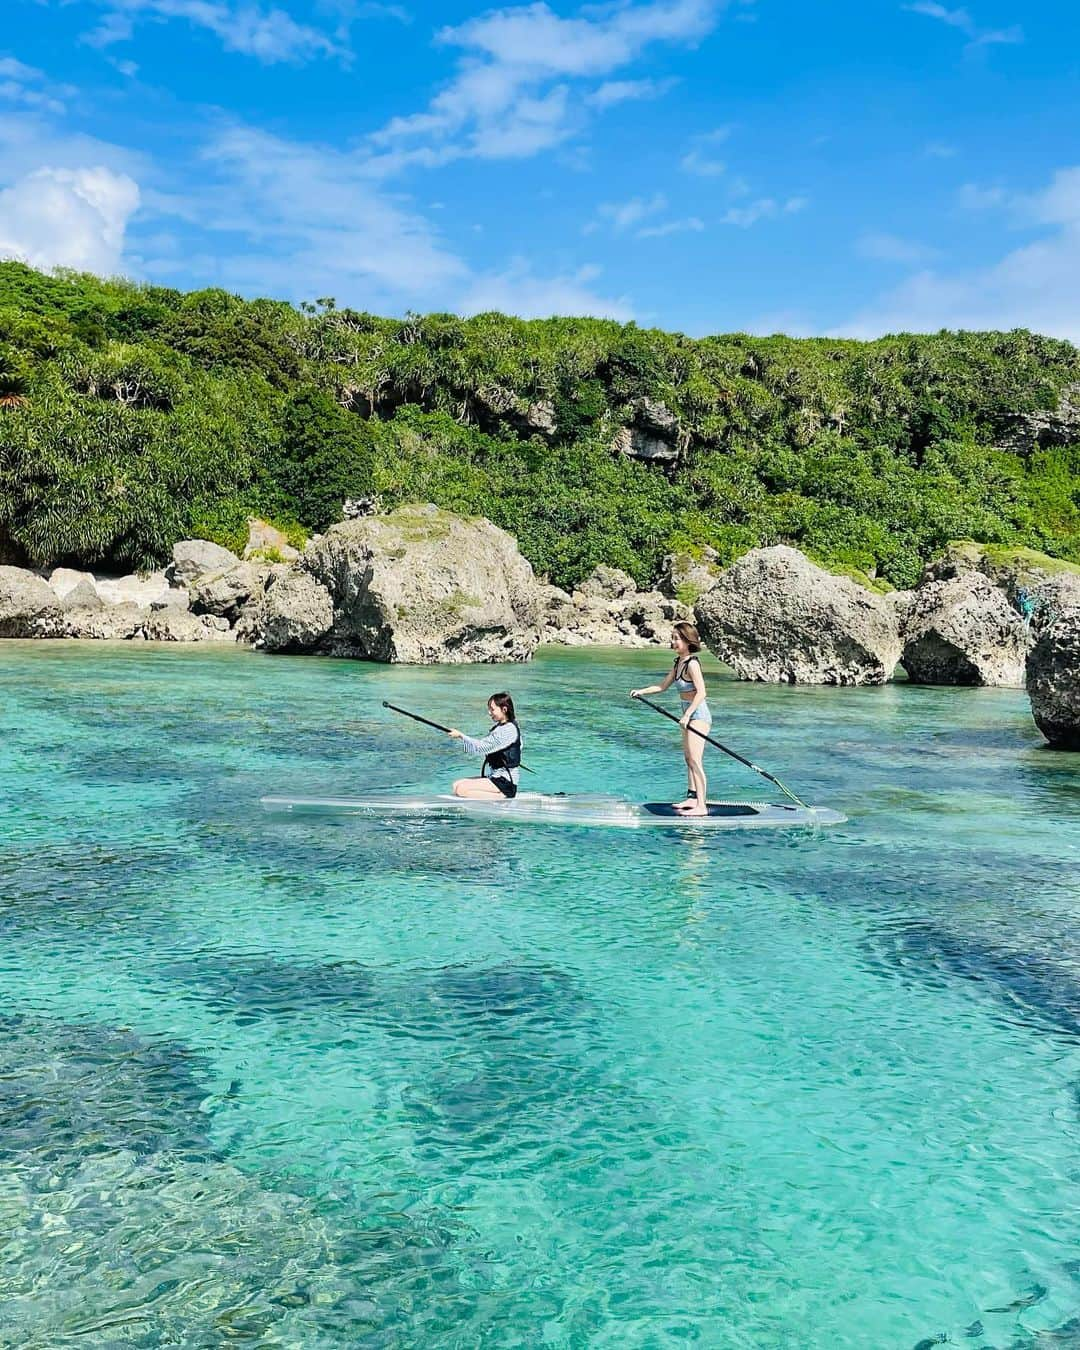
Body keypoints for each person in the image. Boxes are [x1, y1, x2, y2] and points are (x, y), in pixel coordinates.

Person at [630, 622, 711, 815]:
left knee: (696, 760)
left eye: (677, 638)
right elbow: (661, 686)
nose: (673, 642)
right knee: (688, 758)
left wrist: (687, 715)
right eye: (672, 637)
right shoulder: (678, 663)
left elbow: (702, 693)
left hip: (698, 715)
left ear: (687, 640)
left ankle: (702, 806)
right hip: (687, 716)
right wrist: (640, 692)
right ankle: (692, 799)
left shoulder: (692, 663)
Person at [447, 692, 522, 800]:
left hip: (505, 781)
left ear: (504, 709)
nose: (489, 713)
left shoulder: (508, 729)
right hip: (496, 777)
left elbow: (481, 747)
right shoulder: (502, 727)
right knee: (456, 785)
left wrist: (461, 736)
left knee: (461, 789)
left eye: (492, 709)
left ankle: (503, 797)